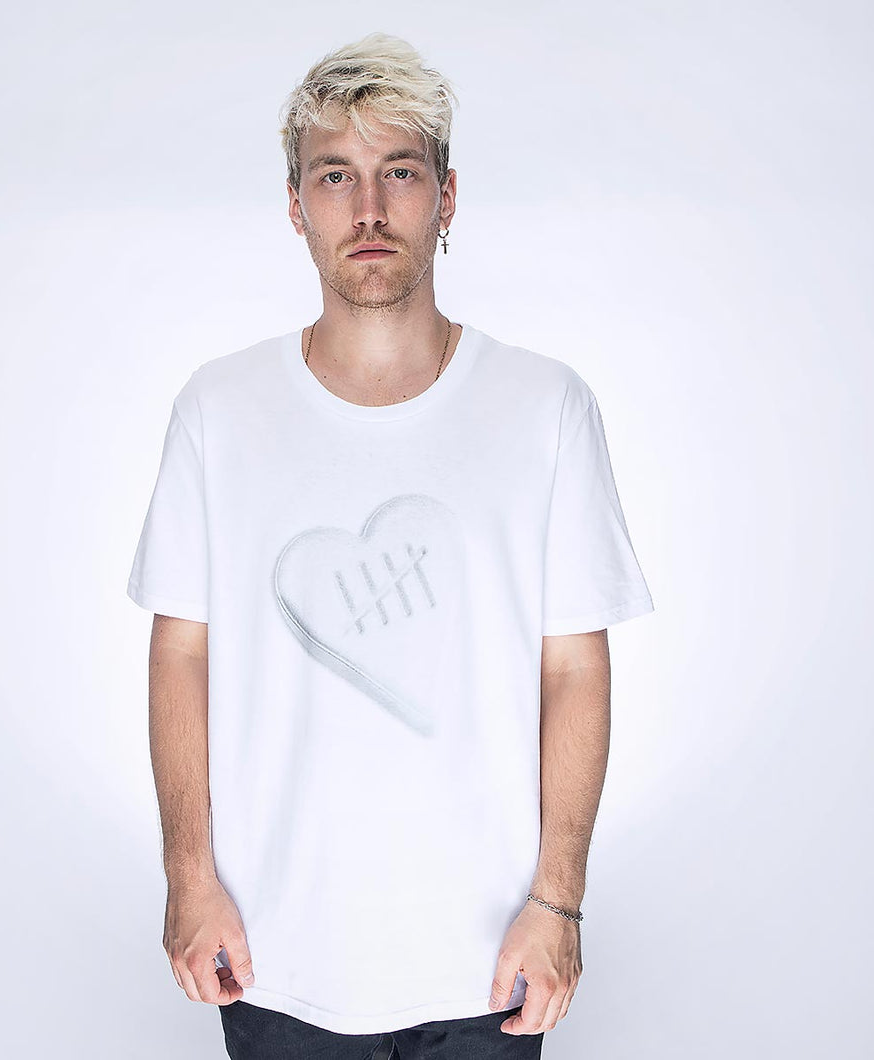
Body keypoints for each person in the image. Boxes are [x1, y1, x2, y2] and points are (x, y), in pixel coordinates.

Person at [126, 30, 655, 1060]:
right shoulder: (218, 410)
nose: (367, 208)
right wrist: (189, 878)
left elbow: (573, 667)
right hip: (275, 956)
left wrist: (558, 901)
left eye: (399, 172)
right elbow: (180, 652)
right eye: (335, 175)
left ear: (446, 198)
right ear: (296, 205)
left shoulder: (544, 407)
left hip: (490, 962)